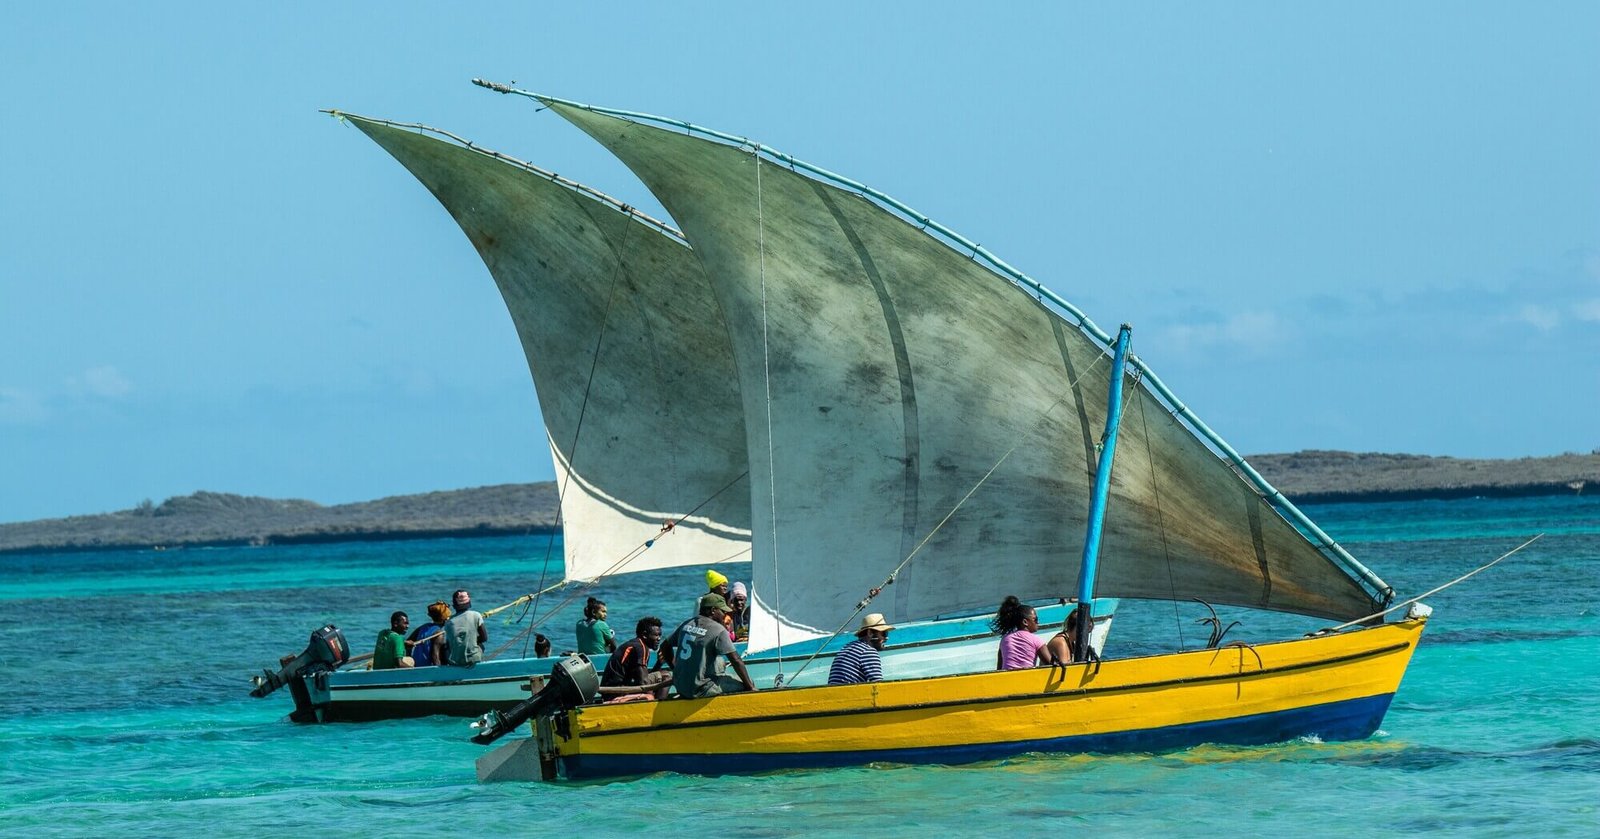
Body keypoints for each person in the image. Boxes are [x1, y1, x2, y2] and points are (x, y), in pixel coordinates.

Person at [665, 593, 756, 699]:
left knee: (720, 662)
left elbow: (665, 646)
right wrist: (750, 686)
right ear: (713, 610)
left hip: (680, 685)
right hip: (700, 689)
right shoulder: (718, 629)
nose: (724, 615)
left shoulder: (686, 624)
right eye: (722, 611)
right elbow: (736, 660)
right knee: (747, 683)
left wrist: (675, 669)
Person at [601, 616, 674, 698]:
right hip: (618, 691)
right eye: (656, 635)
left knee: (660, 674)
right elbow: (643, 682)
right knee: (666, 675)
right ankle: (659, 707)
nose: (659, 639)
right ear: (645, 635)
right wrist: (650, 696)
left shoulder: (634, 644)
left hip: (611, 690)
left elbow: (642, 677)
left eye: (660, 635)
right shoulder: (641, 648)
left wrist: (658, 664)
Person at [827, 613, 893, 685]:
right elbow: (878, 685)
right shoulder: (868, 651)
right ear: (870, 633)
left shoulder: (847, 647)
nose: (886, 638)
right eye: (884, 634)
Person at [994, 595, 1052, 670]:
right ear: (1025, 622)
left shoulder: (1005, 639)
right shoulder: (1036, 640)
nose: (1038, 622)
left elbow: (999, 669)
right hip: (1026, 679)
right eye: (1035, 619)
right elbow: (1051, 664)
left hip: (1007, 679)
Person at [435, 588, 487, 666]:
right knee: (481, 646)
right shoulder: (476, 615)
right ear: (469, 602)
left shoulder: (449, 622)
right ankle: (476, 664)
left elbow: (450, 643)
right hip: (474, 658)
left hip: (455, 661)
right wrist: (473, 640)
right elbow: (484, 638)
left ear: (454, 605)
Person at [406, 600, 450, 667]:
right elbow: (435, 656)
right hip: (428, 667)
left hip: (417, 665)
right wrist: (439, 672)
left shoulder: (423, 627)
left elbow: (407, 643)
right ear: (445, 618)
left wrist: (409, 657)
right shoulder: (439, 633)